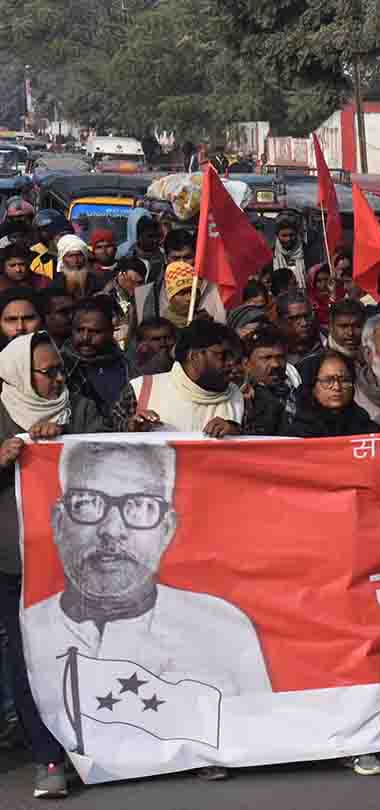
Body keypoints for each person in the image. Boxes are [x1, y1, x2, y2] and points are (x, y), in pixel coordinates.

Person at [26, 440, 274, 785]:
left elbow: (263, 731)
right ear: (58, 521)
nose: (112, 531)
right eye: (87, 504)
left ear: (167, 528)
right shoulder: (31, 630)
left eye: (140, 506)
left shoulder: (223, 629)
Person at [0, 333, 110, 799]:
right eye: (48, 372)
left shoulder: (79, 410)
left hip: (76, 563)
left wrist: (67, 442)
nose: (58, 380)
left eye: (59, 370)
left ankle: (99, 748)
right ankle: (48, 756)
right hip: (14, 564)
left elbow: (112, 463)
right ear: (21, 374)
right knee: (28, 661)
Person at [112, 320, 246, 437]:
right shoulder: (141, 389)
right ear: (194, 356)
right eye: (222, 355)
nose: (231, 362)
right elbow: (105, 441)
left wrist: (235, 435)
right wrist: (130, 427)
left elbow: (259, 449)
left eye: (234, 356)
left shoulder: (242, 397)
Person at [62, 297, 137, 425]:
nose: (85, 338)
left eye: (95, 332)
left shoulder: (127, 366)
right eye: (80, 330)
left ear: (111, 331)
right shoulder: (61, 367)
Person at [285, 350, 380, 438]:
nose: (337, 387)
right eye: (328, 381)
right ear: (312, 386)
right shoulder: (297, 434)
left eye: (344, 380)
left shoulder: (367, 429)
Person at [239, 327, 291, 435]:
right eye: (266, 358)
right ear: (246, 364)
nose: (275, 364)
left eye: (280, 357)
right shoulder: (238, 401)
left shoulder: (299, 394)